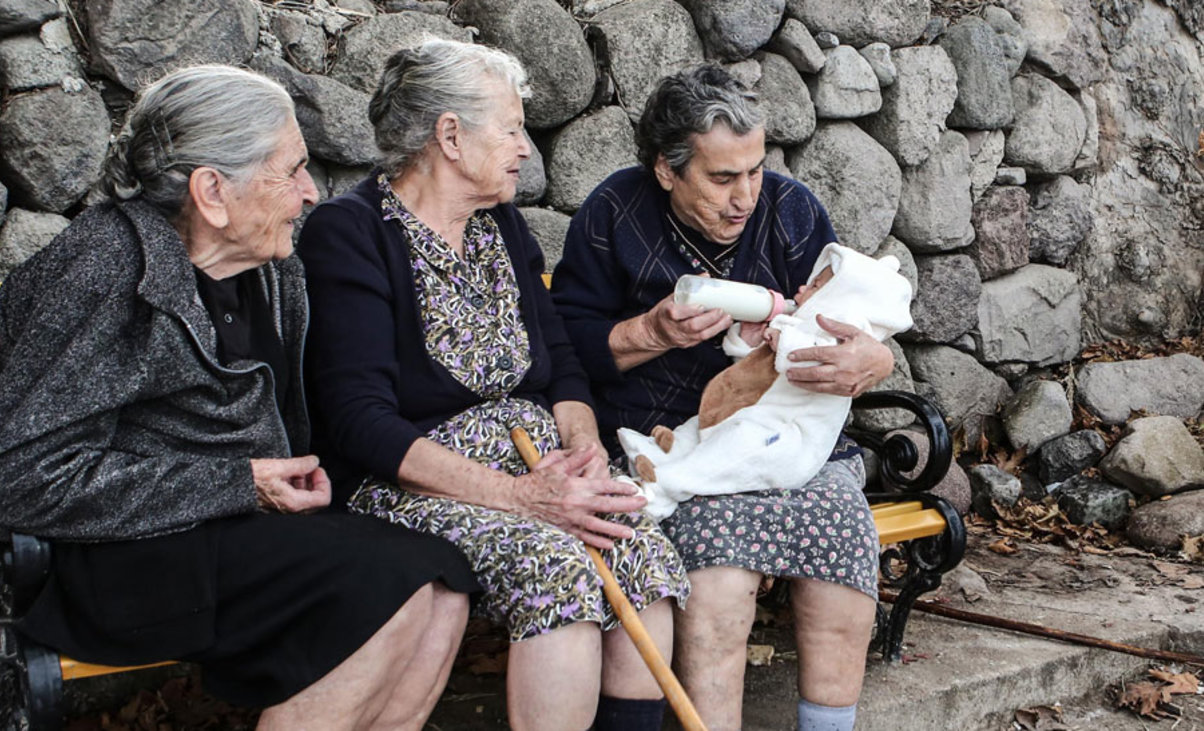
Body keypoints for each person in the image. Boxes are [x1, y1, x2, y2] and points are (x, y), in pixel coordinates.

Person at [0, 65, 479, 730]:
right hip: (124, 555)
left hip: (238, 537)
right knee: (390, 587)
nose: (308, 194)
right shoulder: (103, 266)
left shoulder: (275, 272)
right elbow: (11, 478)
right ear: (212, 190)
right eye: (291, 169)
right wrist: (238, 482)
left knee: (443, 581)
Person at [298, 39, 690, 731]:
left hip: (537, 467)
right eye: (510, 128)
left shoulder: (500, 225)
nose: (523, 149)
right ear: (450, 135)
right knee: (556, 565)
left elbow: (563, 362)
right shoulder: (351, 233)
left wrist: (583, 446)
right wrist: (520, 497)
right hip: (413, 485)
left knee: (638, 548)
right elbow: (360, 419)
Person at [552, 65, 897, 731]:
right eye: (721, 177)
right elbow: (565, 348)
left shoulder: (789, 209)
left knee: (844, 539)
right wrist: (649, 331)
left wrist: (870, 359)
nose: (744, 196)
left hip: (788, 437)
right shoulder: (614, 212)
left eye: (754, 170)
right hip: (668, 448)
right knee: (718, 572)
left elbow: (857, 319)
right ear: (666, 170)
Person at [618, 243, 914, 521]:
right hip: (751, 414)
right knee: (700, 428)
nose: (802, 288)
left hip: (786, 442)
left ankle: (663, 490)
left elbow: (816, 360)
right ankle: (656, 455)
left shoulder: (842, 335)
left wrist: (783, 339)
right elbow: (755, 369)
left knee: (736, 446)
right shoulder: (798, 324)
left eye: (815, 286)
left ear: (840, 296)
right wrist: (747, 340)